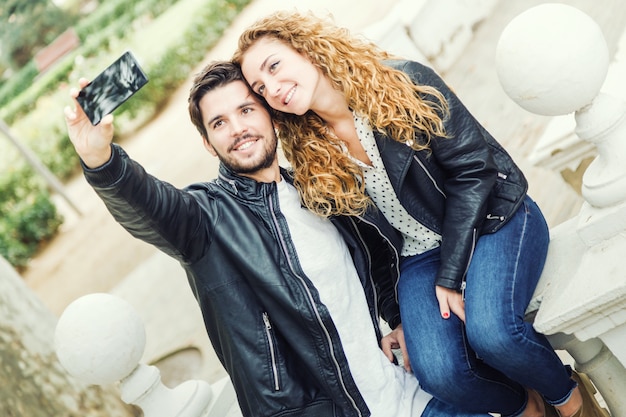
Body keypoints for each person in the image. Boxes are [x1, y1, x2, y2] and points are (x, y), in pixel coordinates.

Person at [232, 11, 611, 417]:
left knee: (493, 333)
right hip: (418, 257)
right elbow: (370, 246)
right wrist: (399, 319)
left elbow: (474, 172)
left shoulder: (401, 81)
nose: (273, 88)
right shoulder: (312, 154)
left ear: (306, 48)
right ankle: (526, 407)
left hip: (494, 217)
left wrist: (450, 275)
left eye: (275, 66)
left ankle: (569, 399)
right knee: (437, 373)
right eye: (260, 87)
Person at [64, 60, 493, 417]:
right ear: (209, 144)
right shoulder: (203, 220)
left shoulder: (316, 187)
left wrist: (394, 316)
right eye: (219, 122)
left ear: (269, 114)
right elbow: (147, 205)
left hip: (407, 397)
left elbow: (376, 256)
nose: (238, 128)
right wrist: (100, 158)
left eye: (247, 110)